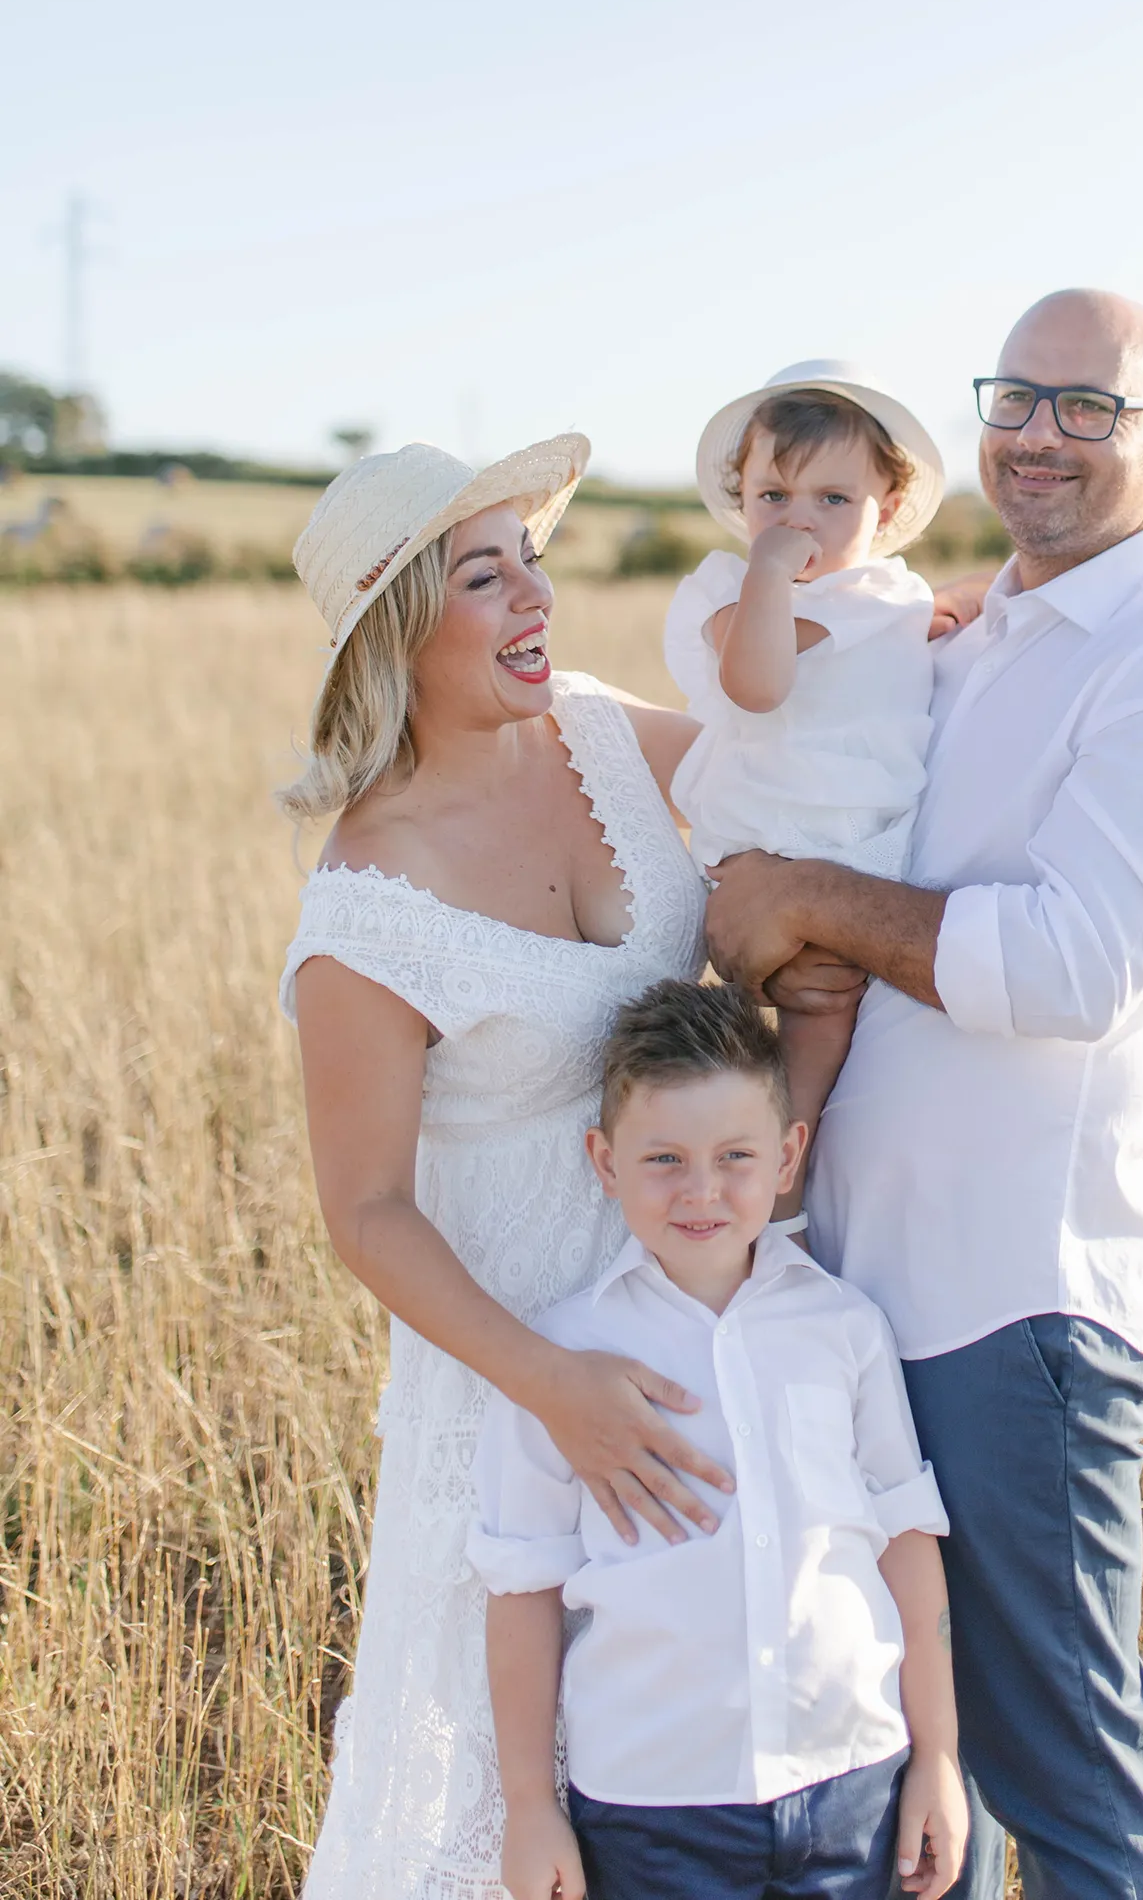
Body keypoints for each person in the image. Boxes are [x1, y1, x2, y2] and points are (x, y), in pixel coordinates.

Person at [706, 289, 1143, 1899]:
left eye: (1089, 407)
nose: (1041, 433)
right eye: (1017, 397)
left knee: (1067, 1770)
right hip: (856, 1280)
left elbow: (1074, 966)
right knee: (916, 1767)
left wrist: (811, 899)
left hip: (1015, 1299)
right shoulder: (977, 640)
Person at [277, 438, 722, 1898]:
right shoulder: (368, 902)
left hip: (692, 1343)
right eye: (486, 572)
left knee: (692, 1766)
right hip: (512, 1386)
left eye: (531, 554)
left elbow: (802, 759)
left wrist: (928, 623)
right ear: (402, 627)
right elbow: (366, 1211)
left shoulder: (596, 730)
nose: (536, 592)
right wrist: (551, 1384)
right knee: (502, 1803)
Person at [468, 978, 968, 1900]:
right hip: (654, 1802)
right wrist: (531, 1808)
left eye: (734, 1155)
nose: (701, 1191)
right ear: (603, 1162)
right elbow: (523, 1588)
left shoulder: (844, 1327)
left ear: (787, 1156)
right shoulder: (565, 1359)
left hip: (851, 1777)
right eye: (663, 1158)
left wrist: (936, 1753)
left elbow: (904, 1538)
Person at [664, 360, 944, 1150]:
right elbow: (757, 686)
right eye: (774, 498)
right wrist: (769, 575)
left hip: (862, 834)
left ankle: (789, 1146)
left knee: (838, 1002)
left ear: (884, 511)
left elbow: (897, 637)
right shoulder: (732, 591)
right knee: (804, 1002)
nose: (801, 522)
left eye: (833, 499)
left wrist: (947, 611)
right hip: (772, 827)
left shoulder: (890, 594)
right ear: (740, 500)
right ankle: (774, 1152)